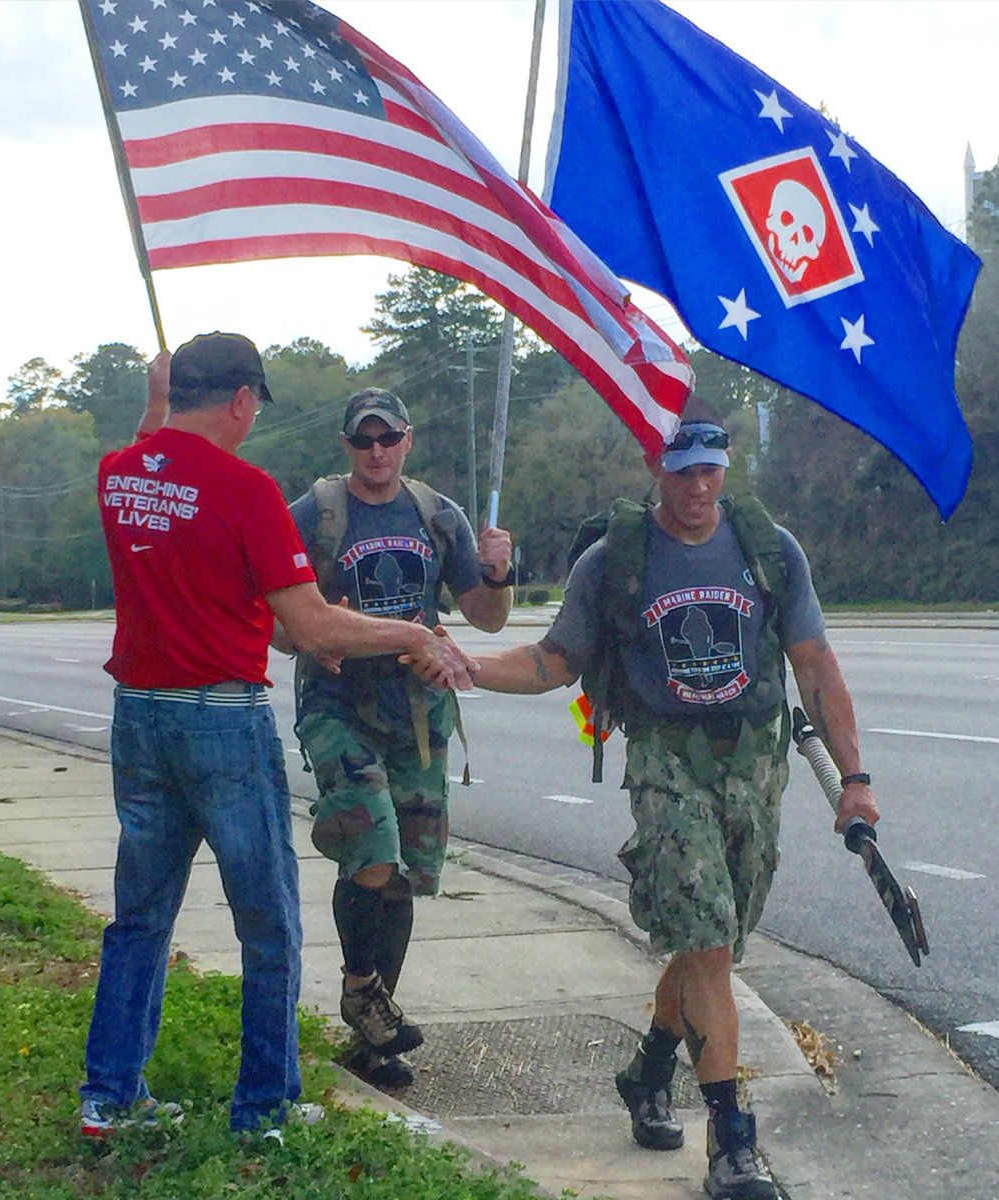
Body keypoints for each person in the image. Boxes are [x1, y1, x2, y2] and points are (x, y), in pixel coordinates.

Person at [436, 406, 880, 1200]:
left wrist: (855, 780)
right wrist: (470, 666)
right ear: (656, 469)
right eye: (682, 471)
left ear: (726, 468)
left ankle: (647, 1073)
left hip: (754, 766)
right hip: (666, 764)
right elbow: (554, 660)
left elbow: (815, 663)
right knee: (707, 946)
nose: (698, 485)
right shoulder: (615, 559)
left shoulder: (769, 549)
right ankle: (732, 1144)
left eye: (710, 469)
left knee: (716, 941)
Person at [81, 333, 474, 1140]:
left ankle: (109, 1096)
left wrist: (154, 399)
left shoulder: (119, 475)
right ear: (239, 400)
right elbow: (313, 625)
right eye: (253, 403)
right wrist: (412, 634)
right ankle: (263, 1105)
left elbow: (148, 444)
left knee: (139, 917)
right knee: (268, 923)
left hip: (139, 715)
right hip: (221, 720)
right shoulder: (246, 490)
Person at [280, 387, 514, 1088]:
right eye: (363, 439)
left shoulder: (437, 515)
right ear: (346, 445)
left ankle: (375, 1037)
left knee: (405, 870)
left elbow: (488, 616)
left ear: (407, 440)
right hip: (338, 706)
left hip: (416, 711)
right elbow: (263, 609)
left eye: (388, 438)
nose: (376, 451)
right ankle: (361, 989)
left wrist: (499, 573)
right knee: (372, 846)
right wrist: (307, 639)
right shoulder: (316, 514)